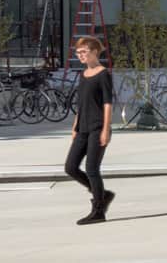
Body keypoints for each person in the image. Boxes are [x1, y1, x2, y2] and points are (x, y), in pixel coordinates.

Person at [64, 35, 116, 224]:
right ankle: (103, 194)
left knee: (92, 169)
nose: (80, 55)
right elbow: (82, 104)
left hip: (97, 128)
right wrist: (75, 126)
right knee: (70, 167)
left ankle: (98, 211)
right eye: (78, 53)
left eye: (83, 51)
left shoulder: (103, 74)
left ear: (94, 51)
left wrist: (105, 129)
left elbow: (108, 104)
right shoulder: (83, 75)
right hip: (82, 128)